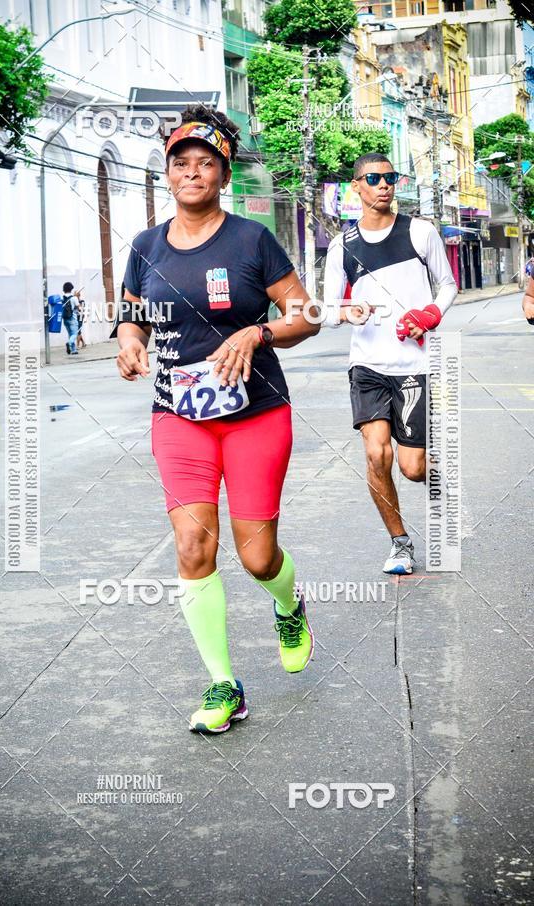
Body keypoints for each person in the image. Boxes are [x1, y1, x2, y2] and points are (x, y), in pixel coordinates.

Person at [111, 105, 319, 733]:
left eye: (207, 164)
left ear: (223, 176)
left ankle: (288, 604)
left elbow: (305, 314)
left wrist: (258, 332)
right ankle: (223, 685)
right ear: (168, 174)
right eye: (182, 163)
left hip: (254, 414)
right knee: (194, 546)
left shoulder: (252, 239)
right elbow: (132, 315)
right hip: (178, 415)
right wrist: (128, 339)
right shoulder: (145, 247)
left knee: (257, 558)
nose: (193, 173)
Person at [323, 152, 458, 575]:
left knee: (412, 467)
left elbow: (448, 285)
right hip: (367, 366)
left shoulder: (420, 233)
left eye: (390, 177)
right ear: (357, 187)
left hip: (414, 366)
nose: (384, 185)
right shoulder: (341, 246)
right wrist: (348, 311)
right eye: (374, 178)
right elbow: (326, 310)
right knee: (377, 455)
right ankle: (400, 543)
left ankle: (436, 473)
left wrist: (430, 315)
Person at [62, 281, 80, 355]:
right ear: (71, 289)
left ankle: (73, 350)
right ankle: (69, 343)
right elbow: (79, 308)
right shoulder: (74, 298)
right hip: (72, 318)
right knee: (74, 334)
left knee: (70, 334)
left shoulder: (62, 298)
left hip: (65, 318)